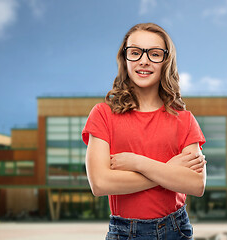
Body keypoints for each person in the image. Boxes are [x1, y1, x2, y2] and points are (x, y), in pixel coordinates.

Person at [82, 23, 206, 240]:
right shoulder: (103, 114)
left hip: (175, 229)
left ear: (166, 61)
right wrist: (169, 171)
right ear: (125, 58)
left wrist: (138, 163)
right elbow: (100, 183)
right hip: (124, 232)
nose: (144, 60)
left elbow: (196, 184)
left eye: (155, 53)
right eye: (135, 52)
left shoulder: (184, 120)